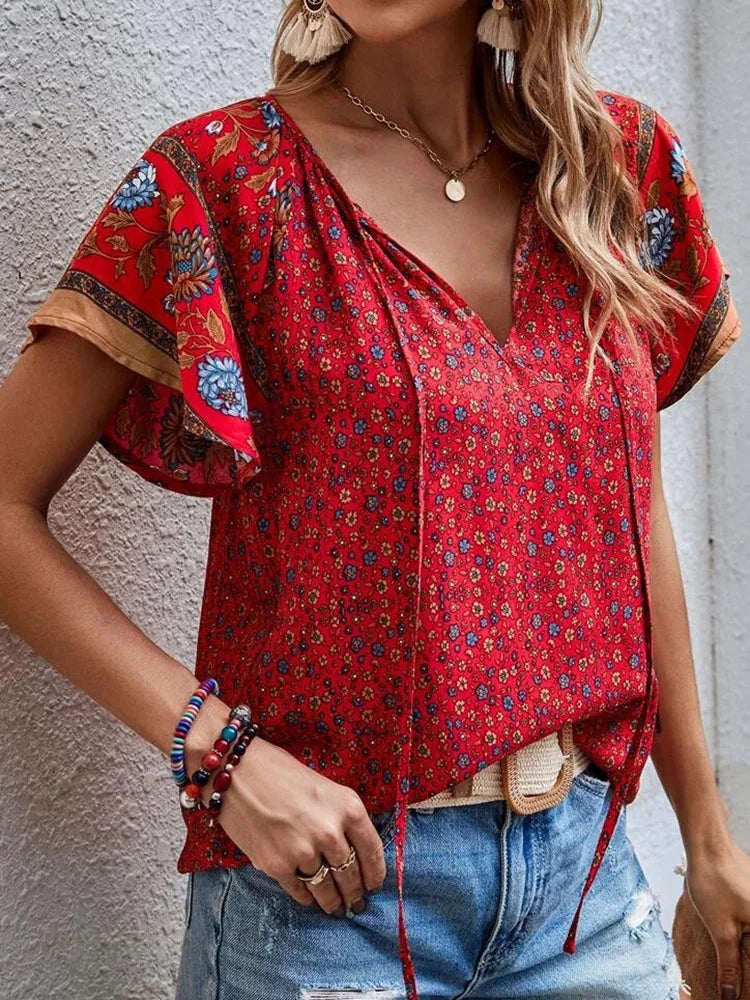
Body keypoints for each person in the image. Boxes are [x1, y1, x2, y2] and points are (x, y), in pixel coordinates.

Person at [1, 1, 748, 998]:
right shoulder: (224, 181)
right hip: (326, 912)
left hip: (587, 897)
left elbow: (625, 507)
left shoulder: (617, 166)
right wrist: (218, 756)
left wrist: (707, 835)